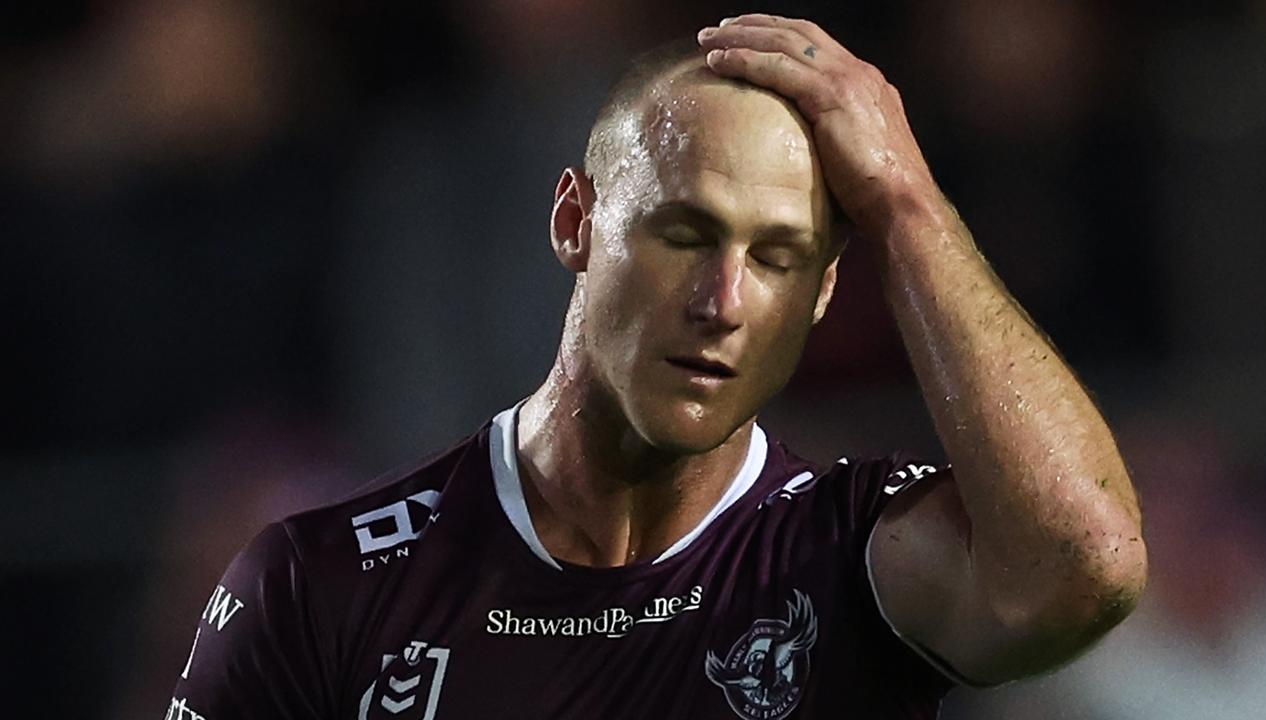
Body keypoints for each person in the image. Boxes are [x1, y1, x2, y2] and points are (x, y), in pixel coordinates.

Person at [167, 14, 1147, 720]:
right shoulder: (318, 582)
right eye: (683, 233)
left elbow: (1082, 572)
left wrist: (907, 209)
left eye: (775, 258)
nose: (721, 302)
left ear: (819, 292)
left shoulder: (847, 555)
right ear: (574, 223)